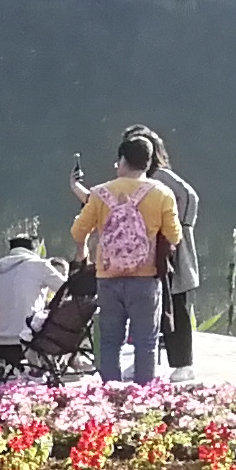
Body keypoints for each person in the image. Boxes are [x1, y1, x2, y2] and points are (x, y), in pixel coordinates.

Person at [73, 135, 180, 385]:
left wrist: (85, 251)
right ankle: (142, 399)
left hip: (108, 279)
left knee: (110, 341)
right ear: (149, 162)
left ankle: (111, 395)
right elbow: (175, 235)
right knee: (146, 343)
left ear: (122, 160)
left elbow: (78, 232)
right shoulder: (163, 194)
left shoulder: (100, 193)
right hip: (146, 279)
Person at [137, 126, 208, 370]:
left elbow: (189, 196)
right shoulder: (142, 180)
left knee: (176, 303)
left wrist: (180, 226)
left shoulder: (160, 176)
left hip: (173, 248)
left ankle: (183, 363)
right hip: (156, 249)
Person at [0, 224, 57, 377]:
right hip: (29, 343)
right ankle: (42, 366)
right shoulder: (40, 266)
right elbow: (67, 289)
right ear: (34, 249)